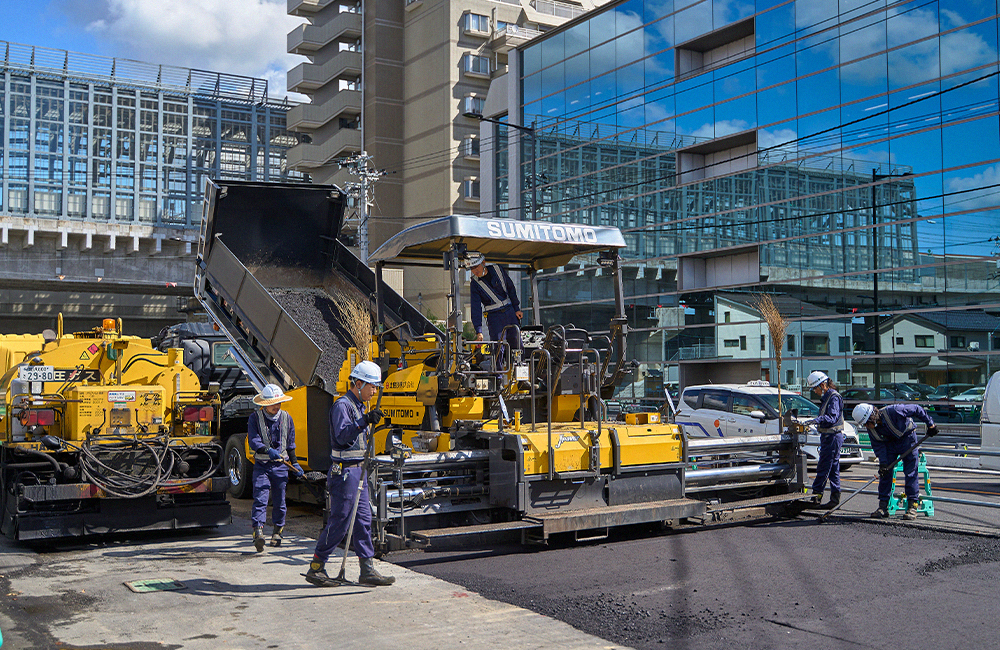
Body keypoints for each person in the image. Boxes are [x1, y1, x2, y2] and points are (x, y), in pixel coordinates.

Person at [305, 360, 395, 587]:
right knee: (341, 522)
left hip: (359, 473)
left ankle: (367, 569)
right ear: (358, 383)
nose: (374, 392)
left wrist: (366, 419)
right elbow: (344, 436)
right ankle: (317, 566)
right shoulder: (342, 406)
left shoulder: (360, 406)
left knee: (363, 520)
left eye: (376, 387)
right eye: (371, 386)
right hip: (344, 474)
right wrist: (364, 421)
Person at [852, 402, 938, 520]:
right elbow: (878, 446)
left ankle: (912, 506)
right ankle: (883, 507)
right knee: (885, 473)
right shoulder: (872, 430)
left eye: (867, 423)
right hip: (890, 445)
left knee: (911, 472)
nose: (867, 427)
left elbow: (917, 409)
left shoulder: (895, 410)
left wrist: (930, 424)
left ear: (873, 417)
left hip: (908, 439)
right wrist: (883, 463)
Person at [247, 383, 303, 552]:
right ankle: (258, 532)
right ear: (264, 404)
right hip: (262, 465)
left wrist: (295, 463)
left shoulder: (286, 418)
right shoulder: (255, 418)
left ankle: (278, 532)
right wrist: (267, 450)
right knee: (261, 497)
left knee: (279, 501)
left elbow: (291, 444)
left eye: (278, 403)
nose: (276, 406)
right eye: (273, 403)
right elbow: (254, 441)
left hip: (281, 467)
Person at [467, 252, 523, 354]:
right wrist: (478, 331)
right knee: (498, 348)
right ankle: (498, 369)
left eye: (476, 267)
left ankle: (521, 368)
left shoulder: (498, 269)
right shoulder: (474, 283)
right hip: (494, 317)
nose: (474, 271)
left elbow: (510, 288)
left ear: (483, 262)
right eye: (471, 268)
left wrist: (516, 308)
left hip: (510, 312)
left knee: (517, 343)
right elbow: (476, 308)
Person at [804, 371, 844, 510]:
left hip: (832, 437)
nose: (814, 391)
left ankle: (817, 497)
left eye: (815, 388)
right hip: (830, 437)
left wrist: (817, 420)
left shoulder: (833, 397)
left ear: (822, 385)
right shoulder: (828, 397)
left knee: (824, 467)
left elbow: (832, 418)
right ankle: (834, 499)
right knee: (832, 468)